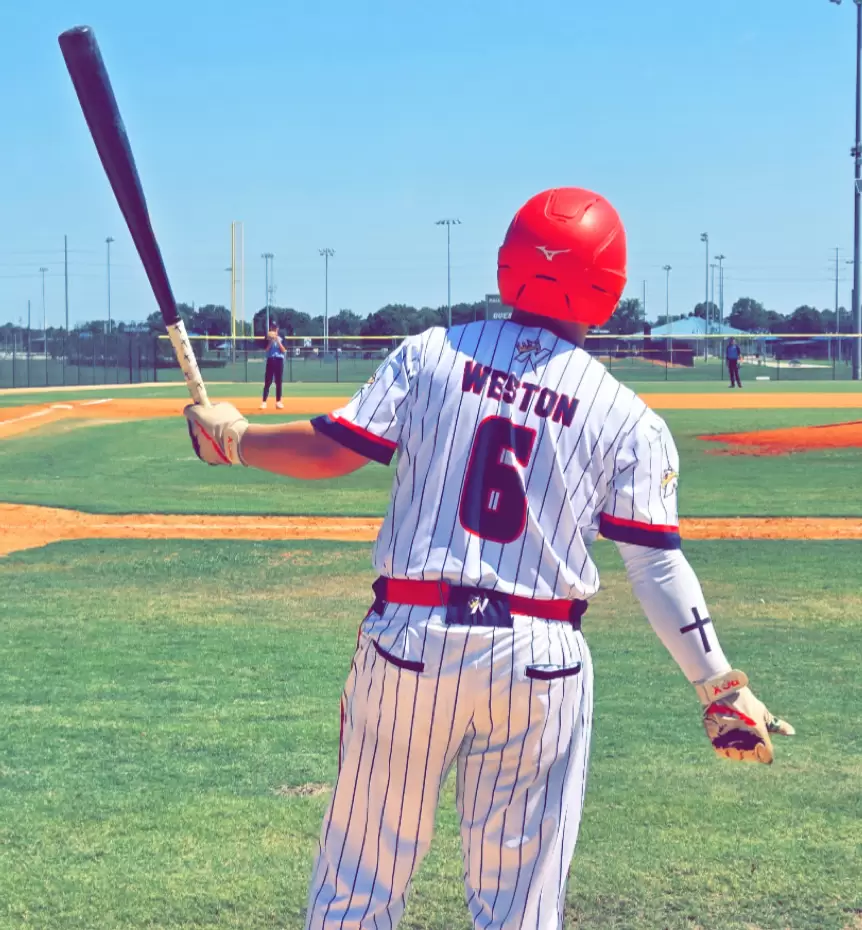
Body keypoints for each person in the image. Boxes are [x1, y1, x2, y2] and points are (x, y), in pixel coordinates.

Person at [184, 188, 793, 930]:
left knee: (359, 882)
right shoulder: (628, 417)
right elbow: (656, 566)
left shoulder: (432, 353)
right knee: (520, 907)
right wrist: (717, 684)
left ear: (509, 264)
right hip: (543, 661)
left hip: (411, 644)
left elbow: (332, 450)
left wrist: (235, 439)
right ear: (609, 287)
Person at [262, 326, 287, 409]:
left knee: (278, 382)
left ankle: (278, 402)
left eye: (275, 328)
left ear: (277, 329)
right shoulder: (267, 338)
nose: (274, 330)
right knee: (268, 381)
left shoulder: (282, 338)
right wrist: (271, 341)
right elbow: (266, 349)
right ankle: (264, 402)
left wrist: (278, 341)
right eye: (272, 328)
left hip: (279, 360)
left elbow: (283, 350)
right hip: (270, 360)